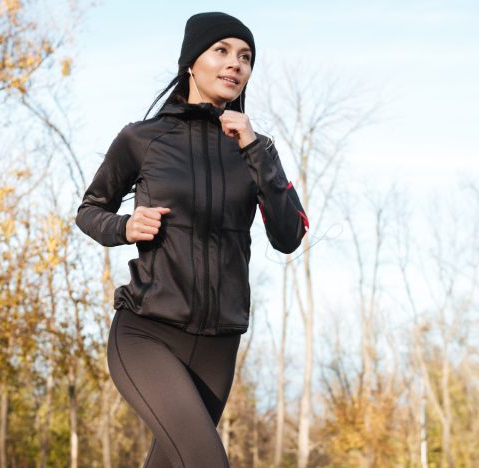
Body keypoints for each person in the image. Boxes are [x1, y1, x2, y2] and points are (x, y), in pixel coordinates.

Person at [76, 11, 309, 468]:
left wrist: (254, 148)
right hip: (147, 331)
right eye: (221, 51)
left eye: (245, 57)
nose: (234, 65)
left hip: (219, 344)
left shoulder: (255, 149)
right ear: (191, 63)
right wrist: (124, 226)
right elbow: (91, 210)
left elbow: (289, 235)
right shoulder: (143, 139)